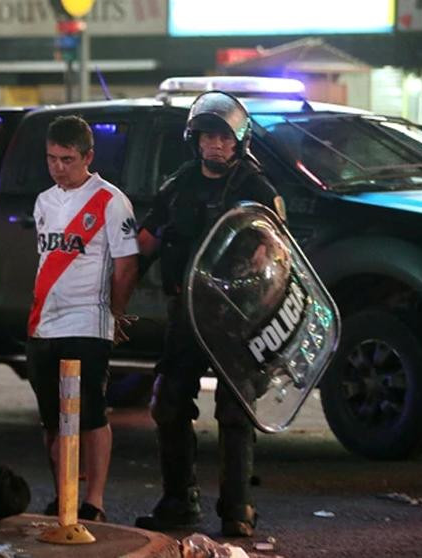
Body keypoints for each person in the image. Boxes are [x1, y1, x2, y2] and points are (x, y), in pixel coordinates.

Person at [133, 91, 285, 538]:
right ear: (194, 140)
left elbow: (276, 257)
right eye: (206, 137)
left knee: (235, 411)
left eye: (223, 137)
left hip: (237, 317)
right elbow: (145, 242)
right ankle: (179, 503)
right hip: (186, 315)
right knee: (168, 403)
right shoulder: (177, 187)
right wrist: (111, 287)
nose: (214, 145)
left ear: (239, 141)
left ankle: (238, 507)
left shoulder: (258, 191)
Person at [27, 115, 139, 522]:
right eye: (52, 158)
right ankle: (64, 495)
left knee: (91, 414)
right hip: (43, 325)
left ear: (88, 156)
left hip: (88, 324)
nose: (59, 167)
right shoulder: (43, 201)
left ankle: (94, 500)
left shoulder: (110, 201)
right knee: (51, 419)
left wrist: (115, 313)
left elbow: (126, 265)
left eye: (67, 159)